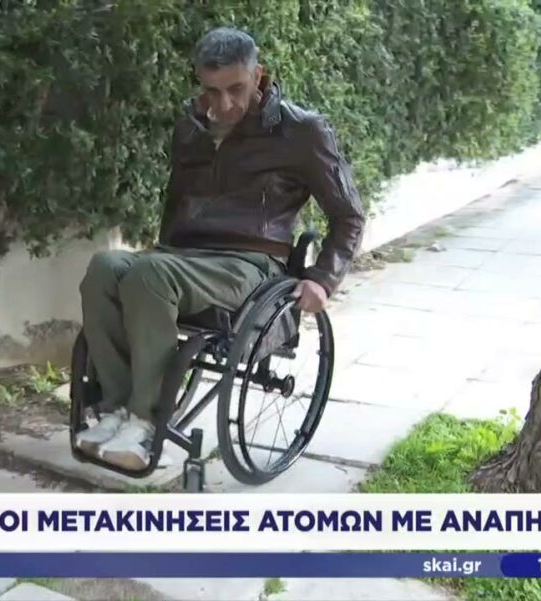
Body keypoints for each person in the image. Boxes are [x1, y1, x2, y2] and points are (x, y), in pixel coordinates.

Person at [75, 26, 365, 470]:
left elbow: (348, 215)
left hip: (251, 263)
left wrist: (323, 278)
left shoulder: (301, 131)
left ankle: (146, 421)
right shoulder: (191, 128)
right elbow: (176, 202)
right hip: (184, 257)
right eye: (211, 91)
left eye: (236, 89)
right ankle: (116, 409)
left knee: (150, 275)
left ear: (258, 75)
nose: (223, 104)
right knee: (104, 267)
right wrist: (162, 250)